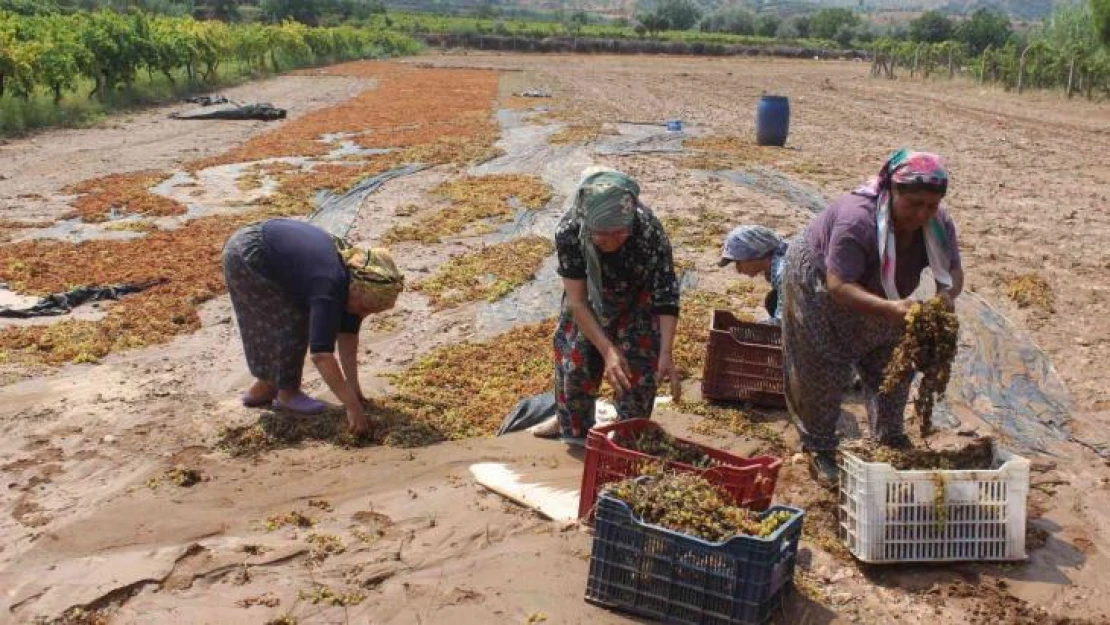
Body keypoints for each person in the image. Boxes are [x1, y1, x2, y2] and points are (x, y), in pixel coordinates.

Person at [780, 149, 964, 483]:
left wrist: (944, 298)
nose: (922, 214)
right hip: (820, 282)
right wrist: (890, 308)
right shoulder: (857, 221)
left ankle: (890, 436)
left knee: (893, 361)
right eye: (914, 204)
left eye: (931, 205)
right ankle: (820, 447)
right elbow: (839, 284)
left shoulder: (939, 224)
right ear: (892, 191)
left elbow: (952, 273)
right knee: (822, 364)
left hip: (883, 290)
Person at [539, 167, 681, 445]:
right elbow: (577, 302)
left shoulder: (647, 229)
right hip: (589, 299)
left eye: (619, 233)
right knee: (575, 367)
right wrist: (607, 350)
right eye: (602, 234)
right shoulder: (570, 231)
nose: (612, 241)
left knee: (636, 376)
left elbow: (666, 292)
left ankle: (625, 439)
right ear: (587, 225)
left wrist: (666, 352)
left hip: (636, 299)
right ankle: (571, 427)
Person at [222, 218, 404, 435]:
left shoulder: (353, 279)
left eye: (371, 312)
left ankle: (264, 388)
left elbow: (348, 337)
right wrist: (352, 407)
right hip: (248, 254)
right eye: (365, 308)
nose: (363, 315)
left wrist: (354, 391)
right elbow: (321, 355)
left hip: (266, 246)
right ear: (359, 291)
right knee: (292, 321)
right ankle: (287, 394)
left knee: (288, 318)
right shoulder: (329, 286)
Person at [718, 225, 788, 324]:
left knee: (773, 301)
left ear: (754, 255)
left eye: (738, 262)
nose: (738, 270)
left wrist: (760, 328)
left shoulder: (783, 273)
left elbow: (783, 323)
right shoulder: (777, 261)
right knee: (773, 300)